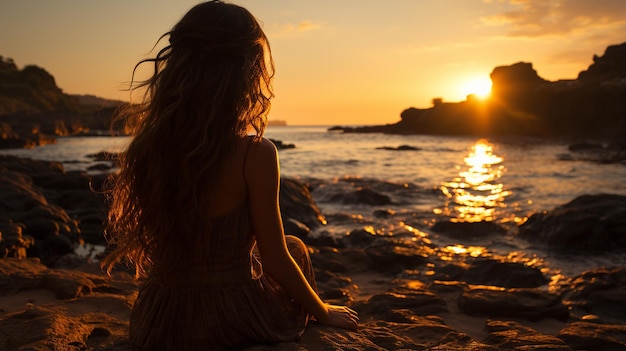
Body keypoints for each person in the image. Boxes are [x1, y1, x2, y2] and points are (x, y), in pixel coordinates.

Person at [101, 1, 358, 350]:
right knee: (295, 250)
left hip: (163, 317)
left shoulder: (147, 148)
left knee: (293, 247)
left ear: (177, 68)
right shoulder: (255, 153)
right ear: (248, 71)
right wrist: (323, 311)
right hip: (230, 315)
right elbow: (274, 257)